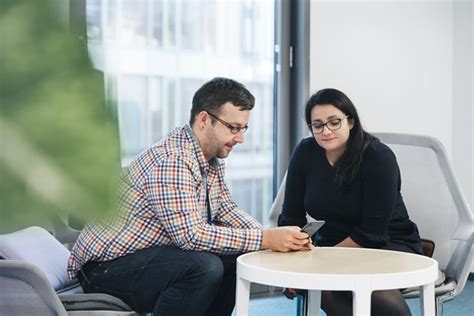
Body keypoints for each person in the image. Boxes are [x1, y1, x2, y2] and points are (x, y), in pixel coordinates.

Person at [67, 77, 312, 316]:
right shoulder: (173, 160)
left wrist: (279, 243)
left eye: (243, 128)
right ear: (204, 119)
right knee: (203, 267)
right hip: (102, 271)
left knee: (236, 257)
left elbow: (226, 210)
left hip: (141, 260)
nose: (240, 138)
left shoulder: (209, 159)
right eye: (233, 128)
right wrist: (265, 239)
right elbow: (190, 236)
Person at [278, 88, 423, 316]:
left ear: (351, 121)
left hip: (388, 244)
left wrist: (320, 264)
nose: (326, 131)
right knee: (327, 287)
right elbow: (291, 216)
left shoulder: (378, 156)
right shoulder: (305, 152)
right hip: (332, 244)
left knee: (369, 287)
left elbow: (372, 233)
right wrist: (293, 261)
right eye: (317, 125)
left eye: (334, 122)